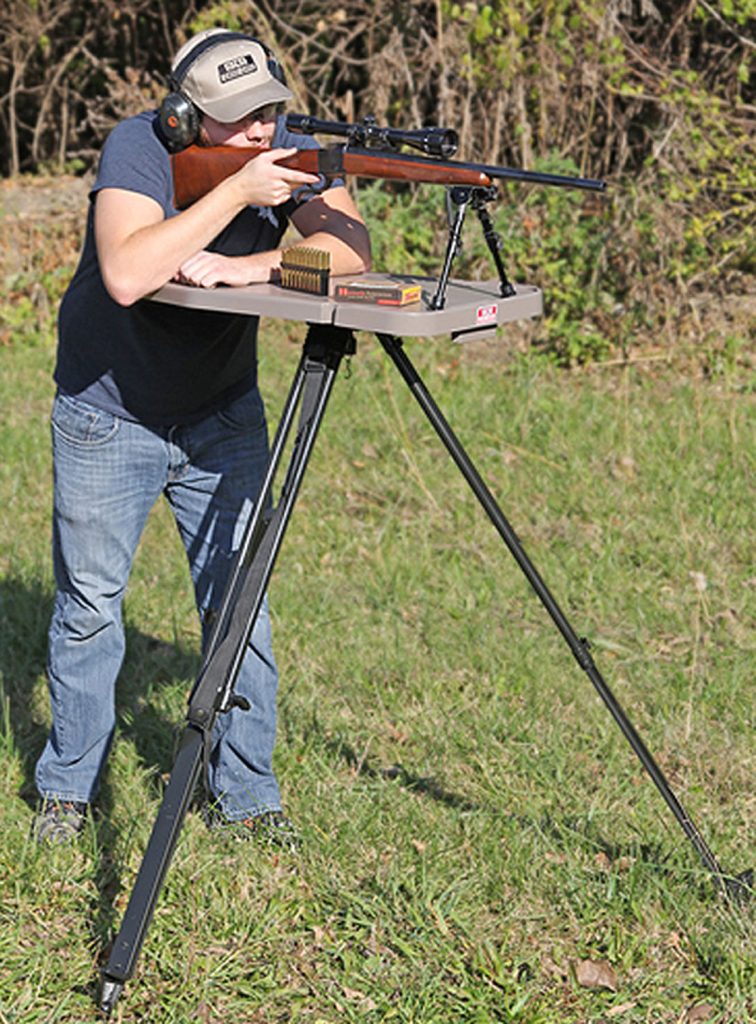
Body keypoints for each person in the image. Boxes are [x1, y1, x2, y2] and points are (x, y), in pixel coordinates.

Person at [33, 29, 371, 845]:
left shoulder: (284, 149)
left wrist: (253, 267)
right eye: (238, 116)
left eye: (268, 111)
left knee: (240, 606)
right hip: (108, 412)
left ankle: (247, 798)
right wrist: (236, 195)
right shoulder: (139, 147)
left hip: (222, 412)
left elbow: (350, 252)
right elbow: (126, 272)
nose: (259, 129)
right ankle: (67, 792)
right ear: (183, 118)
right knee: (90, 610)